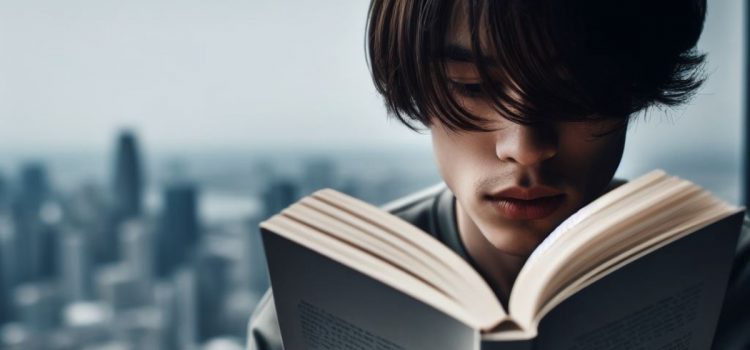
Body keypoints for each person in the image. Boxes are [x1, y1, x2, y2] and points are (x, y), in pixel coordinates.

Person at [247, 0, 750, 348]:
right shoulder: (314, 303)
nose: (525, 148)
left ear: (635, 88)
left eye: (575, 92)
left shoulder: (737, 280)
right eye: (469, 86)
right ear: (419, 88)